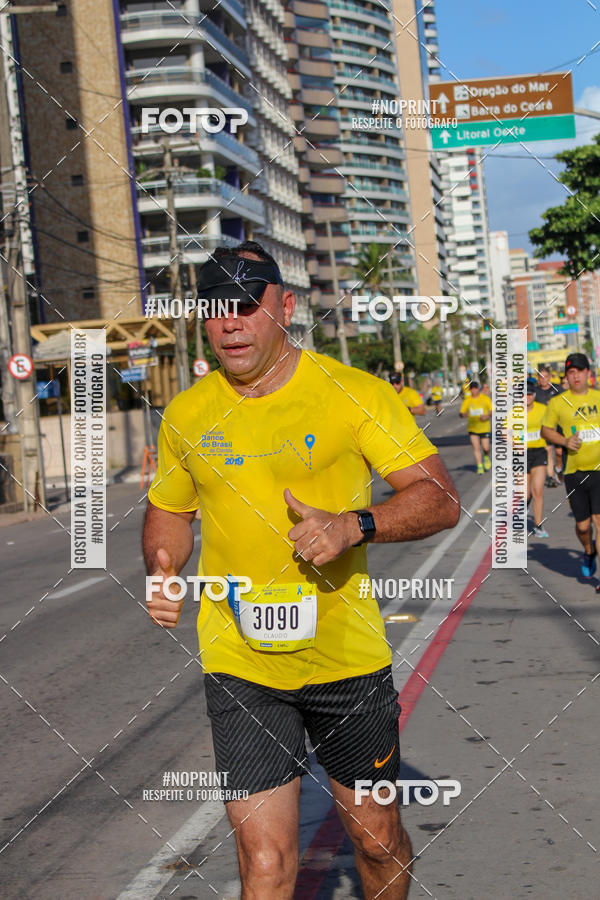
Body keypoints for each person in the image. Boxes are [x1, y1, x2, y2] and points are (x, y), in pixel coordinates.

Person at [142, 241, 460, 900]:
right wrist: (163, 567)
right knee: (264, 862)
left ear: (284, 307)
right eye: (216, 309)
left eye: (247, 306)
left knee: (374, 838)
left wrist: (353, 525)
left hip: (346, 662)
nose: (231, 323)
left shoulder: (352, 393)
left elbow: (440, 496)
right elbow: (170, 511)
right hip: (242, 665)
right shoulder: (187, 414)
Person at [541, 353, 600, 578]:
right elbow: (545, 430)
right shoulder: (558, 402)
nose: (576, 376)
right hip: (574, 473)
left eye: (579, 371)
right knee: (584, 526)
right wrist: (565, 441)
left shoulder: (598, 397)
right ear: (566, 376)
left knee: (599, 521)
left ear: (588, 373)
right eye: (571, 372)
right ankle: (588, 550)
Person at [524, 379, 549, 538]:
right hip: (521, 454)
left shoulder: (543, 409)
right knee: (526, 494)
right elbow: (504, 431)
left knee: (537, 490)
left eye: (529, 394)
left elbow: (550, 425)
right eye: (523, 394)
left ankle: (538, 525)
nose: (526, 397)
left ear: (533, 395)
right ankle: (524, 505)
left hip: (539, 452)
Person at [534, 365, 562, 487]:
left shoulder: (558, 389)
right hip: (544, 427)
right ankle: (551, 477)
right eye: (541, 377)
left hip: (559, 425)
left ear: (550, 377)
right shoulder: (535, 392)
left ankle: (559, 469)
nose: (543, 379)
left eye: (546, 377)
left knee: (559, 452)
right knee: (548, 451)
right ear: (538, 379)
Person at [459, 380, 493, 474]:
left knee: (486, 447)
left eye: (475, 388)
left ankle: (486, 457)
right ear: (470, 390)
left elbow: (492, 410)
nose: (474, 390)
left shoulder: (485, 398)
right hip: (472, 427)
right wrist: (463, 414)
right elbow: (461, 413)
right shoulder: (467, 400)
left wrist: (487, 416)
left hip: (484, 427)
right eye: (472, 389)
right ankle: (480, 466)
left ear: (478, 389)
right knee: (476, 447)